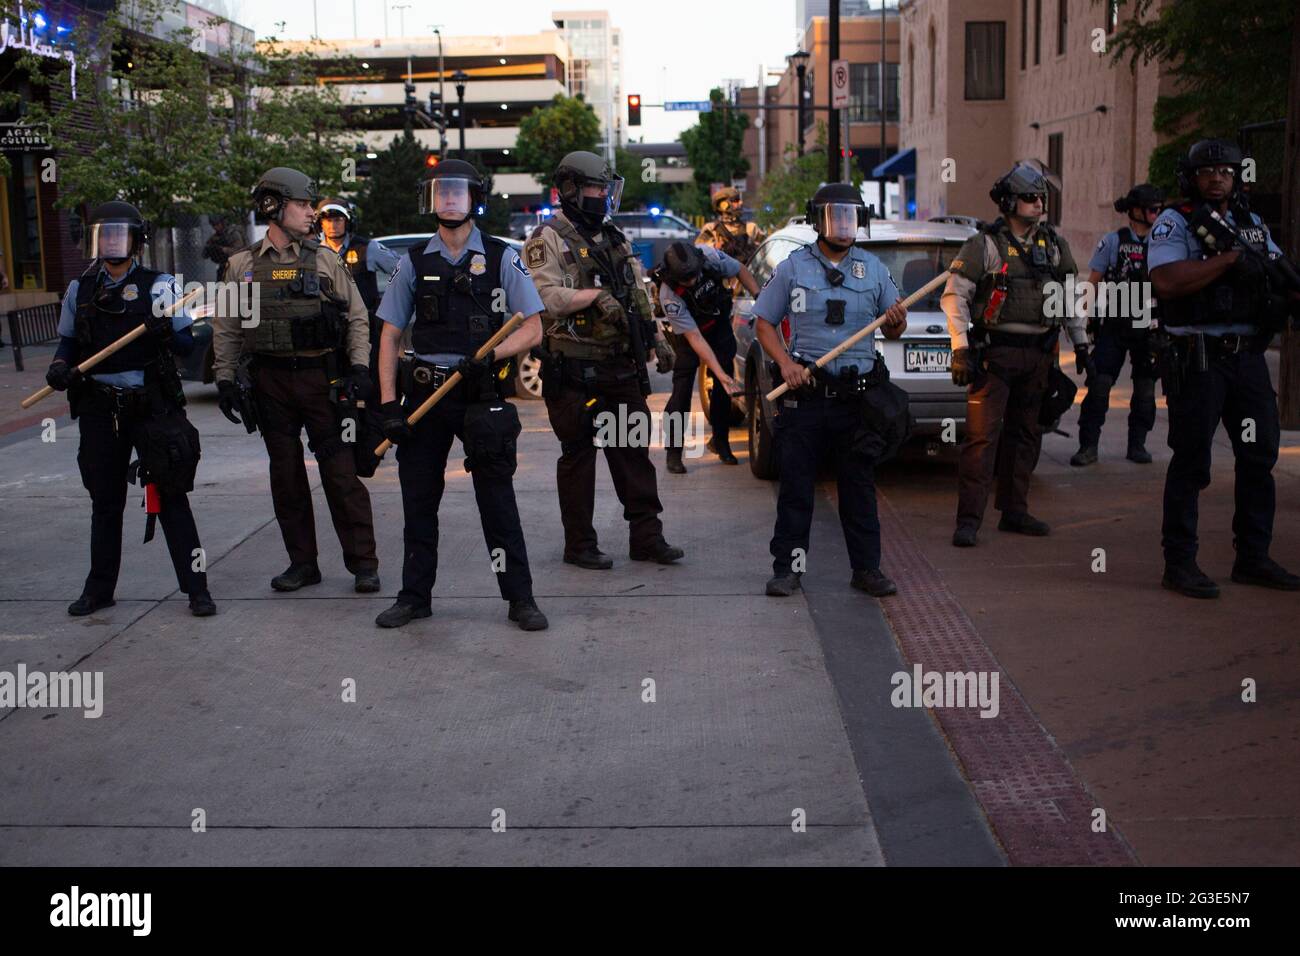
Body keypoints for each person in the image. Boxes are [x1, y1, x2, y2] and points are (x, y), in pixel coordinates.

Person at [370, 159, 549, 631]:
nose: (448, 199)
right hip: (426, 396)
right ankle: (413, 598)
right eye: (440, 192)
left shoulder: (500, 257)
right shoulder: (412, 261)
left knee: (497, 503)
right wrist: (388, 405)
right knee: (418, 502)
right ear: (429, 200)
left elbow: (533, 325)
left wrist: (492, 356)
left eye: (458, 191)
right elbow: (389, 335)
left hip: (480, 394)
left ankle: (520, 599)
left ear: (475, 199)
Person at [212, 167, 381, 594]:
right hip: (270, 384)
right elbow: (229, 327)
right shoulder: (240, 267)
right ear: (273, 206)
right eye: (304, 205)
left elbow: (358, 317)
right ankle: (302, 564)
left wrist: (359, 368)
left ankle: (364, 564)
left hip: (321, 382)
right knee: (285, 476)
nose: (313, 213)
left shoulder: (324, 259)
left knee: (341, 475)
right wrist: (226, 378)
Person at [45, 201, 215, 617]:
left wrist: (164, 335)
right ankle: (99, 589)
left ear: (136, 241)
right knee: (105, 502)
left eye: (120, 235)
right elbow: (68, 342)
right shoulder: (79, 290)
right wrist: (59, 367)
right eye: (104, 235)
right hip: (100, 410)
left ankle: (197, 590)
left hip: (150, 409)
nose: (112, 243)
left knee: (173, 496)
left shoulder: (160, 287)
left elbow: (187, 345)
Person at [1147, 138, 1300, 597]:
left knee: (1259, 455)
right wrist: (1229, 260)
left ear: (1237, 176)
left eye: (1227, 171)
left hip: (1247, 359)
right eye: (1208, 171)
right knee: (1192, 461)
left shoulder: (1250, 222)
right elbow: (1167, 280)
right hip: (1199, 360)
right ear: (1191, 177)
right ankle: (1179, 564)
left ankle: (1252, 558)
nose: (1217, 178)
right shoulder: (1176, 221)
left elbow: (1279, 269)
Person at [524, 150, 682, 571]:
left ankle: (647, 538)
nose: (603, 196)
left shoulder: (614, 237)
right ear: (572, 190)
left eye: (605, 188)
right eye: (596, 188)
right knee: (578, 456)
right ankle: (579, 545)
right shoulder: (547, 238)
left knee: (632, 451)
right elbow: (546, 297)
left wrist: (657, 336)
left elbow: (636, 291)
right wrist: (595, 296)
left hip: (618, 367)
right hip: (573, 370)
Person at [750, 183, 908, 598]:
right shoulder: (792, 268)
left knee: (858, 488)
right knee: (797, 489)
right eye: (835, 216)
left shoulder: (874, 269)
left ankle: (867, 570)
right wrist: (785, 364)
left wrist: (894, 320)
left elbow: (894, 327)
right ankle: (788, 569)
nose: (843, 224)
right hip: (808, 398)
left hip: (858, 400)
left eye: (850, 216)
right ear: (818, 220)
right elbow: (763, 322)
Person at [942, 161, 1085, 547]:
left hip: (1040, 354)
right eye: (1030, 197)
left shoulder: (1054, 245)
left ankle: (1014, 511)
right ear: (1009, 201)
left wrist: (1081, 340)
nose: (1039, 203)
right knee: (981, 439)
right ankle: (968, 520)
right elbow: (956, 296)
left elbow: (1069, 295)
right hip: (996, 355)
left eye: (1041, 197)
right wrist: (960, 348)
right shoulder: (985, 244)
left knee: (1026, 435)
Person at [1071, 184, 1164, 466]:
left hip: (1149, 326)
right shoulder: (1113, 241)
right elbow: (1093, 283)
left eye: (1159, 209)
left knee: (1146, 389)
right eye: (1151, 209)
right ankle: (1088, 445)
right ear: (1135, 211)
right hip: (1114, 323)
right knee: (1099, 384)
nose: (1156, 214)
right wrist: (1082, 326)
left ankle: (1137, 444)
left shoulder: (1164, 244)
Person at [655, 241, 758, 473]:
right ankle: (673, 451)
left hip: (719, 326)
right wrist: (719, 374)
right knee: (681, 393)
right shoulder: (669, 294)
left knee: (725, 389)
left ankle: (720, 441)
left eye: (694, 276)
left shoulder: (709, 256)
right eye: (686, 280)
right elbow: (694, 338)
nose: (691, 282)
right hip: (690, 337)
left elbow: (740, 269)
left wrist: (759, 297)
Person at [314, 197, 401, 384]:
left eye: (338, 219)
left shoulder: (367, 248)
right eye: (327, 220)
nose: (332, 225)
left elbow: (403, 271)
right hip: (330, 333)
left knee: (370, 383)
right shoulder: (314, 254)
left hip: (364, 330)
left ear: (349, 221)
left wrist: (390, 304)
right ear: (320, 223)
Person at [697, 186, 766, 273]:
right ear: (723, 205)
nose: (741, 202)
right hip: (722, 278)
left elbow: (766, 248)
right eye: (735, 200)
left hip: (748, 276)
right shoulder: (712, 229)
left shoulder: (751, 227)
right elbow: (698, 251)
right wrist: (714, 247)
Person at [203, 212, 246, 282]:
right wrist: (210, 249)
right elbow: (204, 254)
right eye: (213, 225)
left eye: (217, 224)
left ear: (223, 223)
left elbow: (240, 251)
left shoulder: (233, 233)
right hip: (225, 267)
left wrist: (223, 249)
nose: (215, 227)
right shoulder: (216, 237)